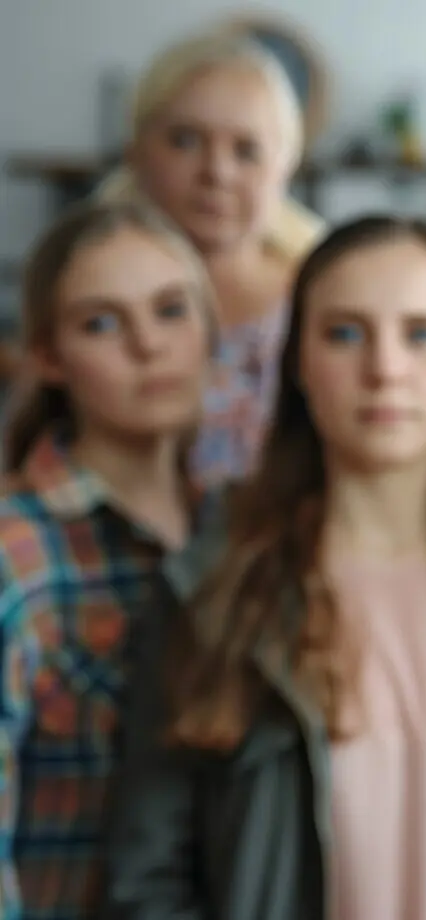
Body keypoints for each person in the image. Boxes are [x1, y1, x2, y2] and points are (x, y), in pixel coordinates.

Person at [103, 216, 426, 920]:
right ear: (299, 365)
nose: (385, 368)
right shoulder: (212, 594)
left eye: (421, 334)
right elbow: (144, 878)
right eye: (345, 333)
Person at [0, 201, 219, 920]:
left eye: (170, 311)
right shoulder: (19, 551)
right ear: (49, 358)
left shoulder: (237, 534)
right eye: (102, 322)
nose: (148, 345)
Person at [100, 30, 324, 486]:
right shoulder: (87, 296)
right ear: (136, 152)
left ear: (285, 165)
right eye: (184, 141)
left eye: (246, 150)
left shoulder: (325, 295)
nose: (216, 172)